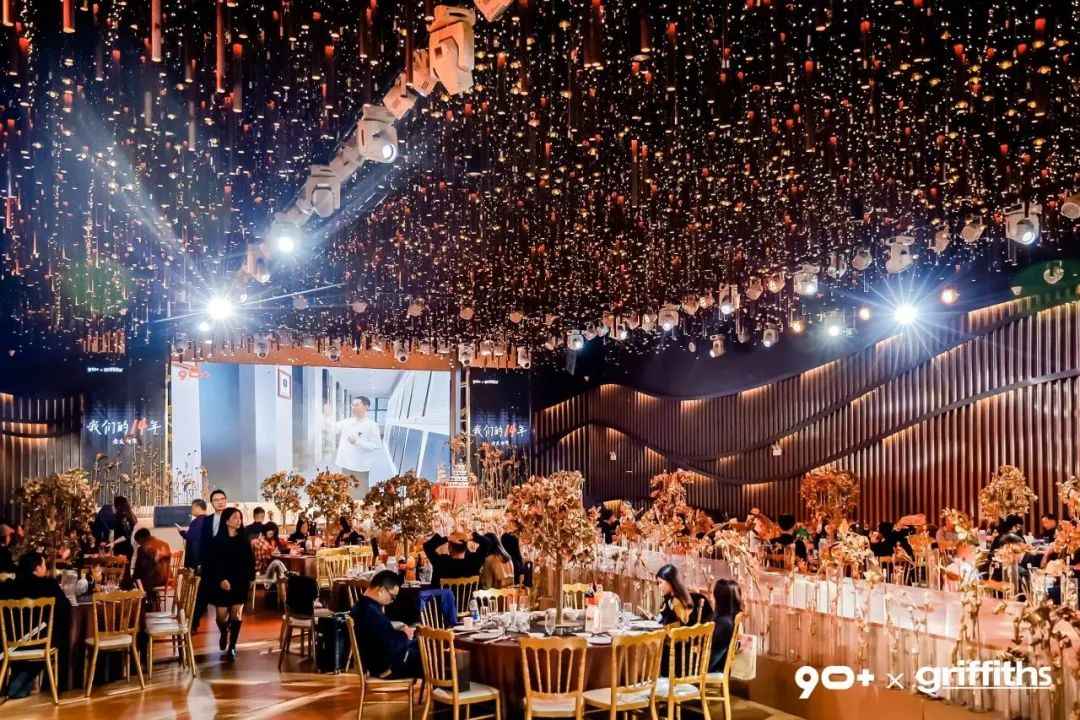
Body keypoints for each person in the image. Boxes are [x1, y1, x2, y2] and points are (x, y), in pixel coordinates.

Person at [0, 552, 71, 699]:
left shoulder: (9, 586)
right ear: (38, 568)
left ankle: (21, 680)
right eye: (44, 565)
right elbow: (65, 608)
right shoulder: (49, 585)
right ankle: (24, 678)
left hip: (12, 642)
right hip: (41, 641)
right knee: (58, 632)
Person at [202, 507, 255, 661]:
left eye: (240, 518)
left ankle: (232, 646)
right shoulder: (216, 542)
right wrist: (220, 580)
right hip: (221, 582)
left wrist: (251, 577)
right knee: (221, 615)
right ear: (226, 521)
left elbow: (250, 561)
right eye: (235, 518)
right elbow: (210, 565)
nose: (238, 521)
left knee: (236, 614)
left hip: (240, 581)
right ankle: (224, 631)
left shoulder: (243, 540)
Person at [349, 570, 422, 679]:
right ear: (381, 590)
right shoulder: (370, 612)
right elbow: (390, 648)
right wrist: (406, 635)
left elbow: (383, 638)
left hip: (381, 663)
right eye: (393, 596)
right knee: (435, 659)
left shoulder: (361, 606)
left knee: (426, 647)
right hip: (388, 668)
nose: (392, 601)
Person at [332, 396, 382, 494]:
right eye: (352, 405)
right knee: (346, 491)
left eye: (356, 405)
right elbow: (332, 427)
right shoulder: (347, 422)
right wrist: (325, 416)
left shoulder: (372, 425)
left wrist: (358, 442)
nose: (353, 407)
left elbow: (376, 445)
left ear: (366, 407)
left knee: (360, 493)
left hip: (360, 466)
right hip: (346, 464)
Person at [423, 529, 490, 588]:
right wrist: (471, 536)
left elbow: (427, 546)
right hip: (468, 599)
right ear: (466, 548)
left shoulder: (441, 562)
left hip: (443, 599)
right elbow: (487, 542)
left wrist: (447, 538)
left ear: (449, 548)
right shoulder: (474, 562)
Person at [709, 579, 742, 673]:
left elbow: (711, 654)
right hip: (718, 666)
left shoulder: (723, 623)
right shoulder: (732, 620)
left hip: (711, 668)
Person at [132, 528, 172, 599]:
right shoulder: (165, 544)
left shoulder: (143, 548)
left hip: (154, 581)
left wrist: (131, 578)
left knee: (136, 579)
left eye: (138, 542)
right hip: (167, 579)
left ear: (141, 539)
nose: (139, 544)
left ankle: (146, 601)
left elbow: (139, 567)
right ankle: (153, 599)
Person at [179, 499, 208, 571]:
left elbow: (190, 537)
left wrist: (182, 532)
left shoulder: (197, 521)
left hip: (195, 556)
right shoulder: (209, 519)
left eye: (192, 508)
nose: (191, 511)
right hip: (204, 555)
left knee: (194, 575)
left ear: (198, 508)